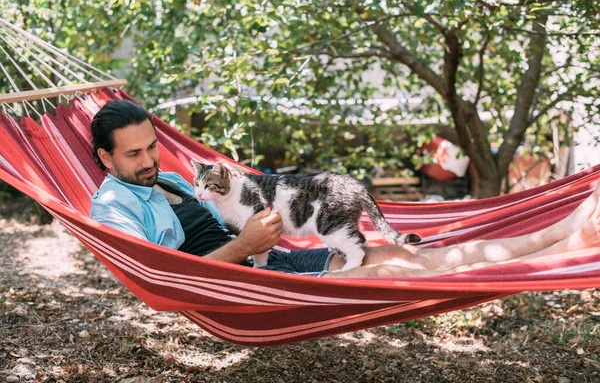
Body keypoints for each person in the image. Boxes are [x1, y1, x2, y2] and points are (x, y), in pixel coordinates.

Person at [90, 99, 600, 278]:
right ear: (104, 158)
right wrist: (245, 247)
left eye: (152, 147)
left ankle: (556, 235)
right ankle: (562, 248)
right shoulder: (113, 207)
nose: (150, 161)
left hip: (272, 265)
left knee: (415, 259)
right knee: (402, 274)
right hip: (251, 286)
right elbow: (172, 278)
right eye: (133, 155)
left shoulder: (171, 180)